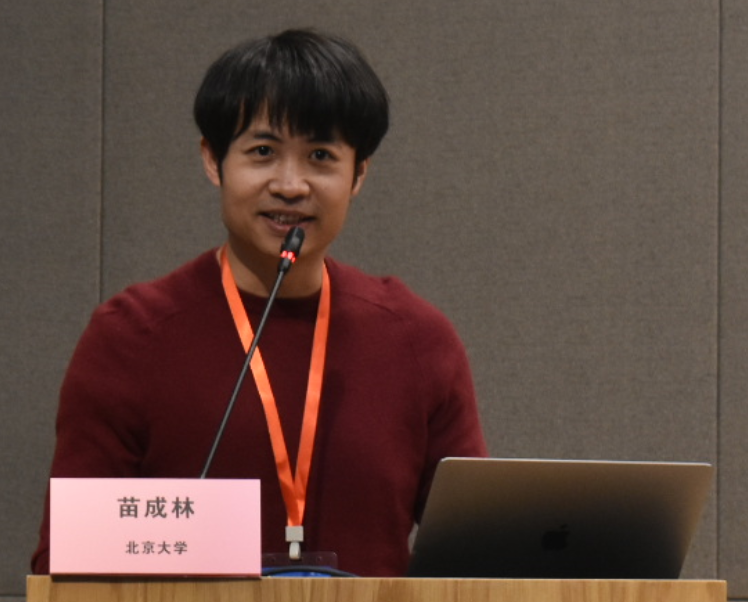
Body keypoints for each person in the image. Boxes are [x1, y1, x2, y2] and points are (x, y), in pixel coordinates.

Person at [31, 28, 487, 577]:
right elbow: (67, 565)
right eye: (263, 152)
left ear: (358, 175)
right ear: (213, 160)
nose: (291, 185)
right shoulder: (131, 336)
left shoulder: (416, 339)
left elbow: (479, 558)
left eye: (321, 156)